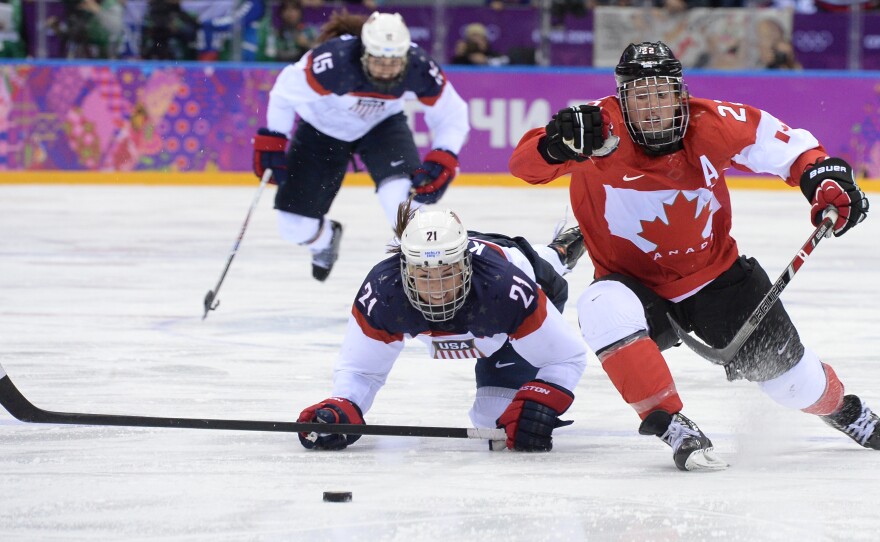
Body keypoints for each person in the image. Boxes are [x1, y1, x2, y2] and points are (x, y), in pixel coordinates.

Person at [509, 41, 874, 471]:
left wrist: (823, 180)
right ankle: (669, 422)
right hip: (634, 284)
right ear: (622, 100)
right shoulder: (594, 129)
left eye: (662, 93)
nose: (653, 106)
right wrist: (556, 147)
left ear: (679, 94)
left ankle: (843, 410)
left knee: (795, 386)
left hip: (718, 280)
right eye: (640, 96)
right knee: (600, 306)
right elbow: (523, 164)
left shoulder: (712, 122)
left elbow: (794, 152)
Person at [296, 200, 589, 452]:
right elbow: (361, 371)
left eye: (447, 273)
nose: (437, 290)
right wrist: (344, 404)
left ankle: (558, 252)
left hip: (524, 281)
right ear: (405, 268)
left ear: (466, 264)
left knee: (495, 421)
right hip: (490, 316)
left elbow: (566, 356)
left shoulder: (507, 288)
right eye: (425, 275)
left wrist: (543, 399)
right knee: (497, 424)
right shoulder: (384, 291)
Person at [252, 11, 470, 282]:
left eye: (394, 62)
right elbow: (284, 91)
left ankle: (425, 278)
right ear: (364, 53)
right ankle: (324, 240)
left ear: (406, 57)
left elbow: (453, 113)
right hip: (321, 130)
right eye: (379, 61)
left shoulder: (420, 67)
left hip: (382, 126)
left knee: (402, 202)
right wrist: (273, 139)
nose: (387, 69)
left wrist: (445, 155)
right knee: (293, 227)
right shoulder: (333, 63)